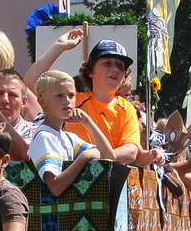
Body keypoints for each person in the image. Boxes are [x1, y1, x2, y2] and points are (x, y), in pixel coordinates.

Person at [67, 39, 161, 167]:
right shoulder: (74, 101)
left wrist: (92, 158)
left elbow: (131, 151)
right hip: (73, 176)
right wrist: (59, 47)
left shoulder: (127, 108)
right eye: (107, 63)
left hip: (112, 181)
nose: (115, 69)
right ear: (90, 71)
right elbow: (34, 83)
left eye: (120, 66)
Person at [28, 70, 115, 196]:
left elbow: (109, 155)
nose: (67, 101)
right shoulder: (44, 136)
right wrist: (84, 157)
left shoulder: (68, 137)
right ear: (42, 102)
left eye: (71, 95)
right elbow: (55, 186)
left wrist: (87, 121)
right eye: (59, 96)